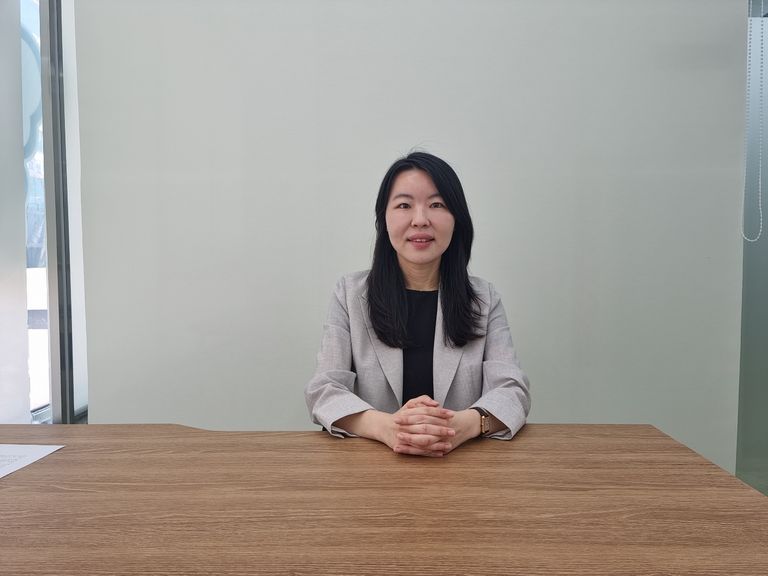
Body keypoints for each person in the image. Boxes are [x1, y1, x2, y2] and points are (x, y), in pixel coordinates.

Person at [305, 151, 530, 457]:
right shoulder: (349, 294)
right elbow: (324, 390)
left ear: (457, 219)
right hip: (369, 470)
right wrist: (387, 428)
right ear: (384, 218)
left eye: (437, 205)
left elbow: (512, 390)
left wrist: (460, 426)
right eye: (404, 205)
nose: (421, 219)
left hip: (464, 468)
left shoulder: (484, 299)